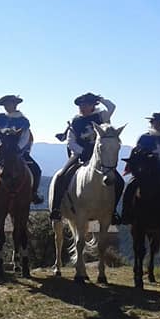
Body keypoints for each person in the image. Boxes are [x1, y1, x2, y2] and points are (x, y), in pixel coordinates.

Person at [49, 92, 124, 223]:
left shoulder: (101, 116)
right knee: (61, 176)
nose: (82, 107)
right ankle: (56, 209)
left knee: (119, 181)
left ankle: (112, 211)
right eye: (81, 105)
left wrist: (100, 99)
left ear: (92, 106)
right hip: (79, 155)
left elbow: (112, 107)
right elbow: (70, 142)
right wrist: (82, 151)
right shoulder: (76, 121)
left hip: (100, 156)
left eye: (86, 104)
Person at [0, 95, 43, 206]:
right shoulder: (0, 118)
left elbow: (25, 136)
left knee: (36, 169)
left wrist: (17, 149)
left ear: (15, 104)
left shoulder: (23, 121)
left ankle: (34, 193)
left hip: (19, 152)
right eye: (5, 104)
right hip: (2, 152)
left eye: (9, 104)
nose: (7, 106)